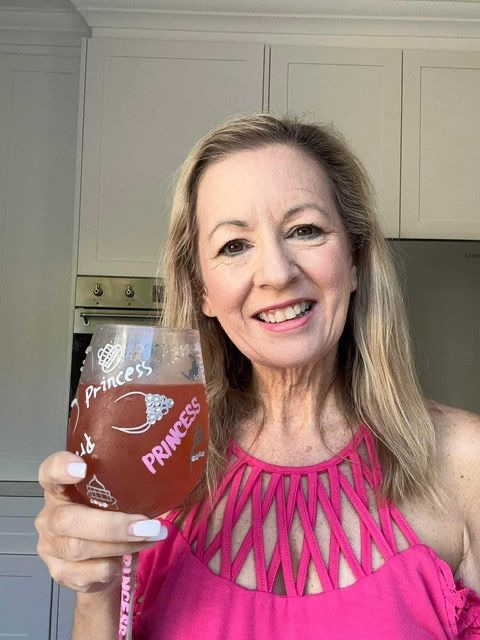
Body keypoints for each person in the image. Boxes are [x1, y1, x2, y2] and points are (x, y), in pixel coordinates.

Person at [36, 114, 480, 639]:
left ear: (355, 260)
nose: (276, 272)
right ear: (202, 289)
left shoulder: (466, 462)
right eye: (234, 245)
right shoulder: (154, 464)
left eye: (305, 230)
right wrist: (95, 584)